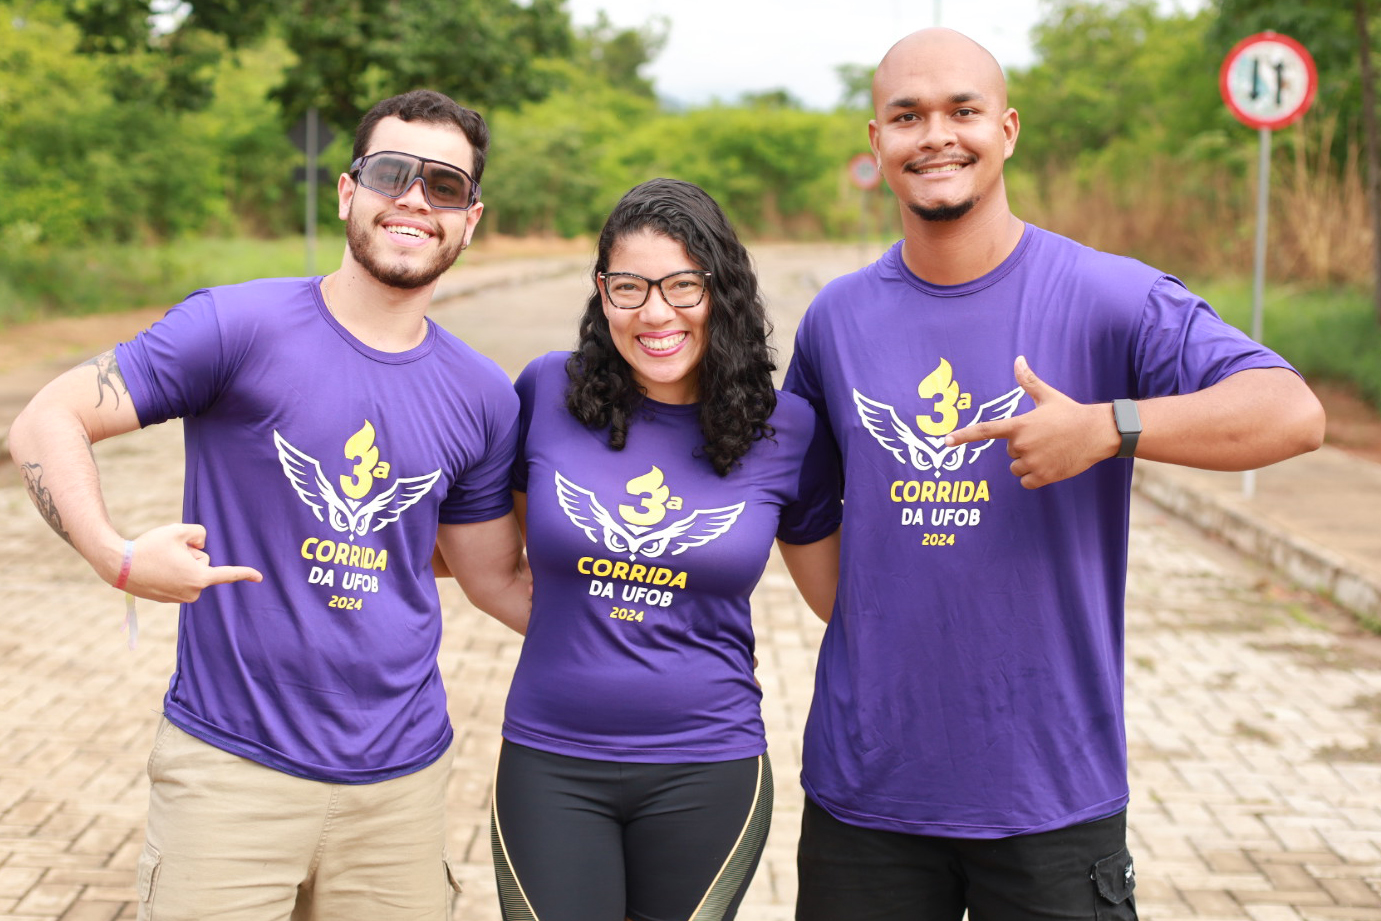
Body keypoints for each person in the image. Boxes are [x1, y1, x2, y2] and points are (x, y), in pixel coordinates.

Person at [782, 28, 1326, 921]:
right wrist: (881, 623)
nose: (936, 136)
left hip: (1048, 794)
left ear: (1007, 128)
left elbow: (1289, 411)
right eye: (906, 116)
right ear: (875, 142)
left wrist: (1108, 428)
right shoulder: (836, 319)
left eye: (962, 110)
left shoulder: (1108, 295)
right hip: (867, 795)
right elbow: (801, 505)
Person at [7, 89, 529, 920]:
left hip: (400, 788)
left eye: (445, 186)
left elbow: (487, 573)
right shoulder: (236, 325)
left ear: (470, 218)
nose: (415, 200)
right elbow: (46, 419)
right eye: (392, 173)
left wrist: (655, 620)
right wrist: (118, 556)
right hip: (229, 775)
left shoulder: (482, 396)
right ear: (347, 191)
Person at [489, 177, 842, 921]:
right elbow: (512, 551)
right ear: (600, 292)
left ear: (724, 289)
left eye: (683, 285)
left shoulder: (789, 430)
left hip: (707, 766)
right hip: (551, 761)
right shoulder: (548, 391)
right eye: (629, 286)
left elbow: (838, 599)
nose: (655, 312)